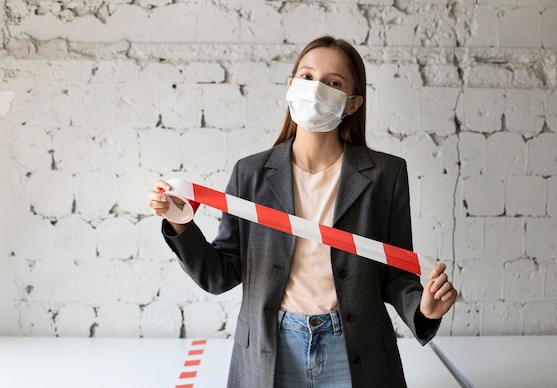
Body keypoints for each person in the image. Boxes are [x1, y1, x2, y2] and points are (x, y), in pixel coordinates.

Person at [147, 35, 457, 388]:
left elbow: (396, 275)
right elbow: (221, 274)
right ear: (291, 85)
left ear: (353, 103)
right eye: (307, 77)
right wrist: (179, 224)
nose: (315, 89)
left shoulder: (386, 175)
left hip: (356, 349)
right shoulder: (250, 174)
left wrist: (424, 307)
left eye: (334, 83)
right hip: (270, 349)